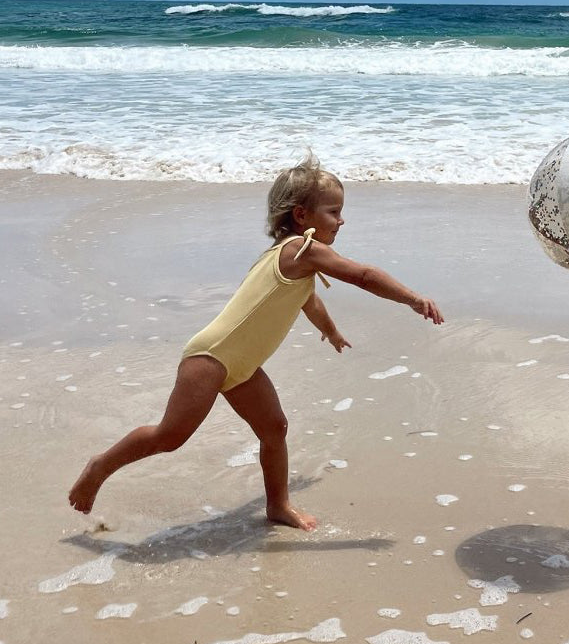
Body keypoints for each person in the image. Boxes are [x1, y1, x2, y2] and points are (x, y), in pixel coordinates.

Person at [69, 157, 443, 530]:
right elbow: (363, 275)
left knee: (274, 428)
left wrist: (329, 330)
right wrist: (412, 298)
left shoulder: (292, 259)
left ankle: (278, 505)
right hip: (211, 358)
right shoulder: (302, 249)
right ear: (301, 215)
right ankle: (99, 466)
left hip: (242, 367)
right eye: (333, 211)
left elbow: (307, 300)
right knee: (169, 436)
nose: (341, 220)